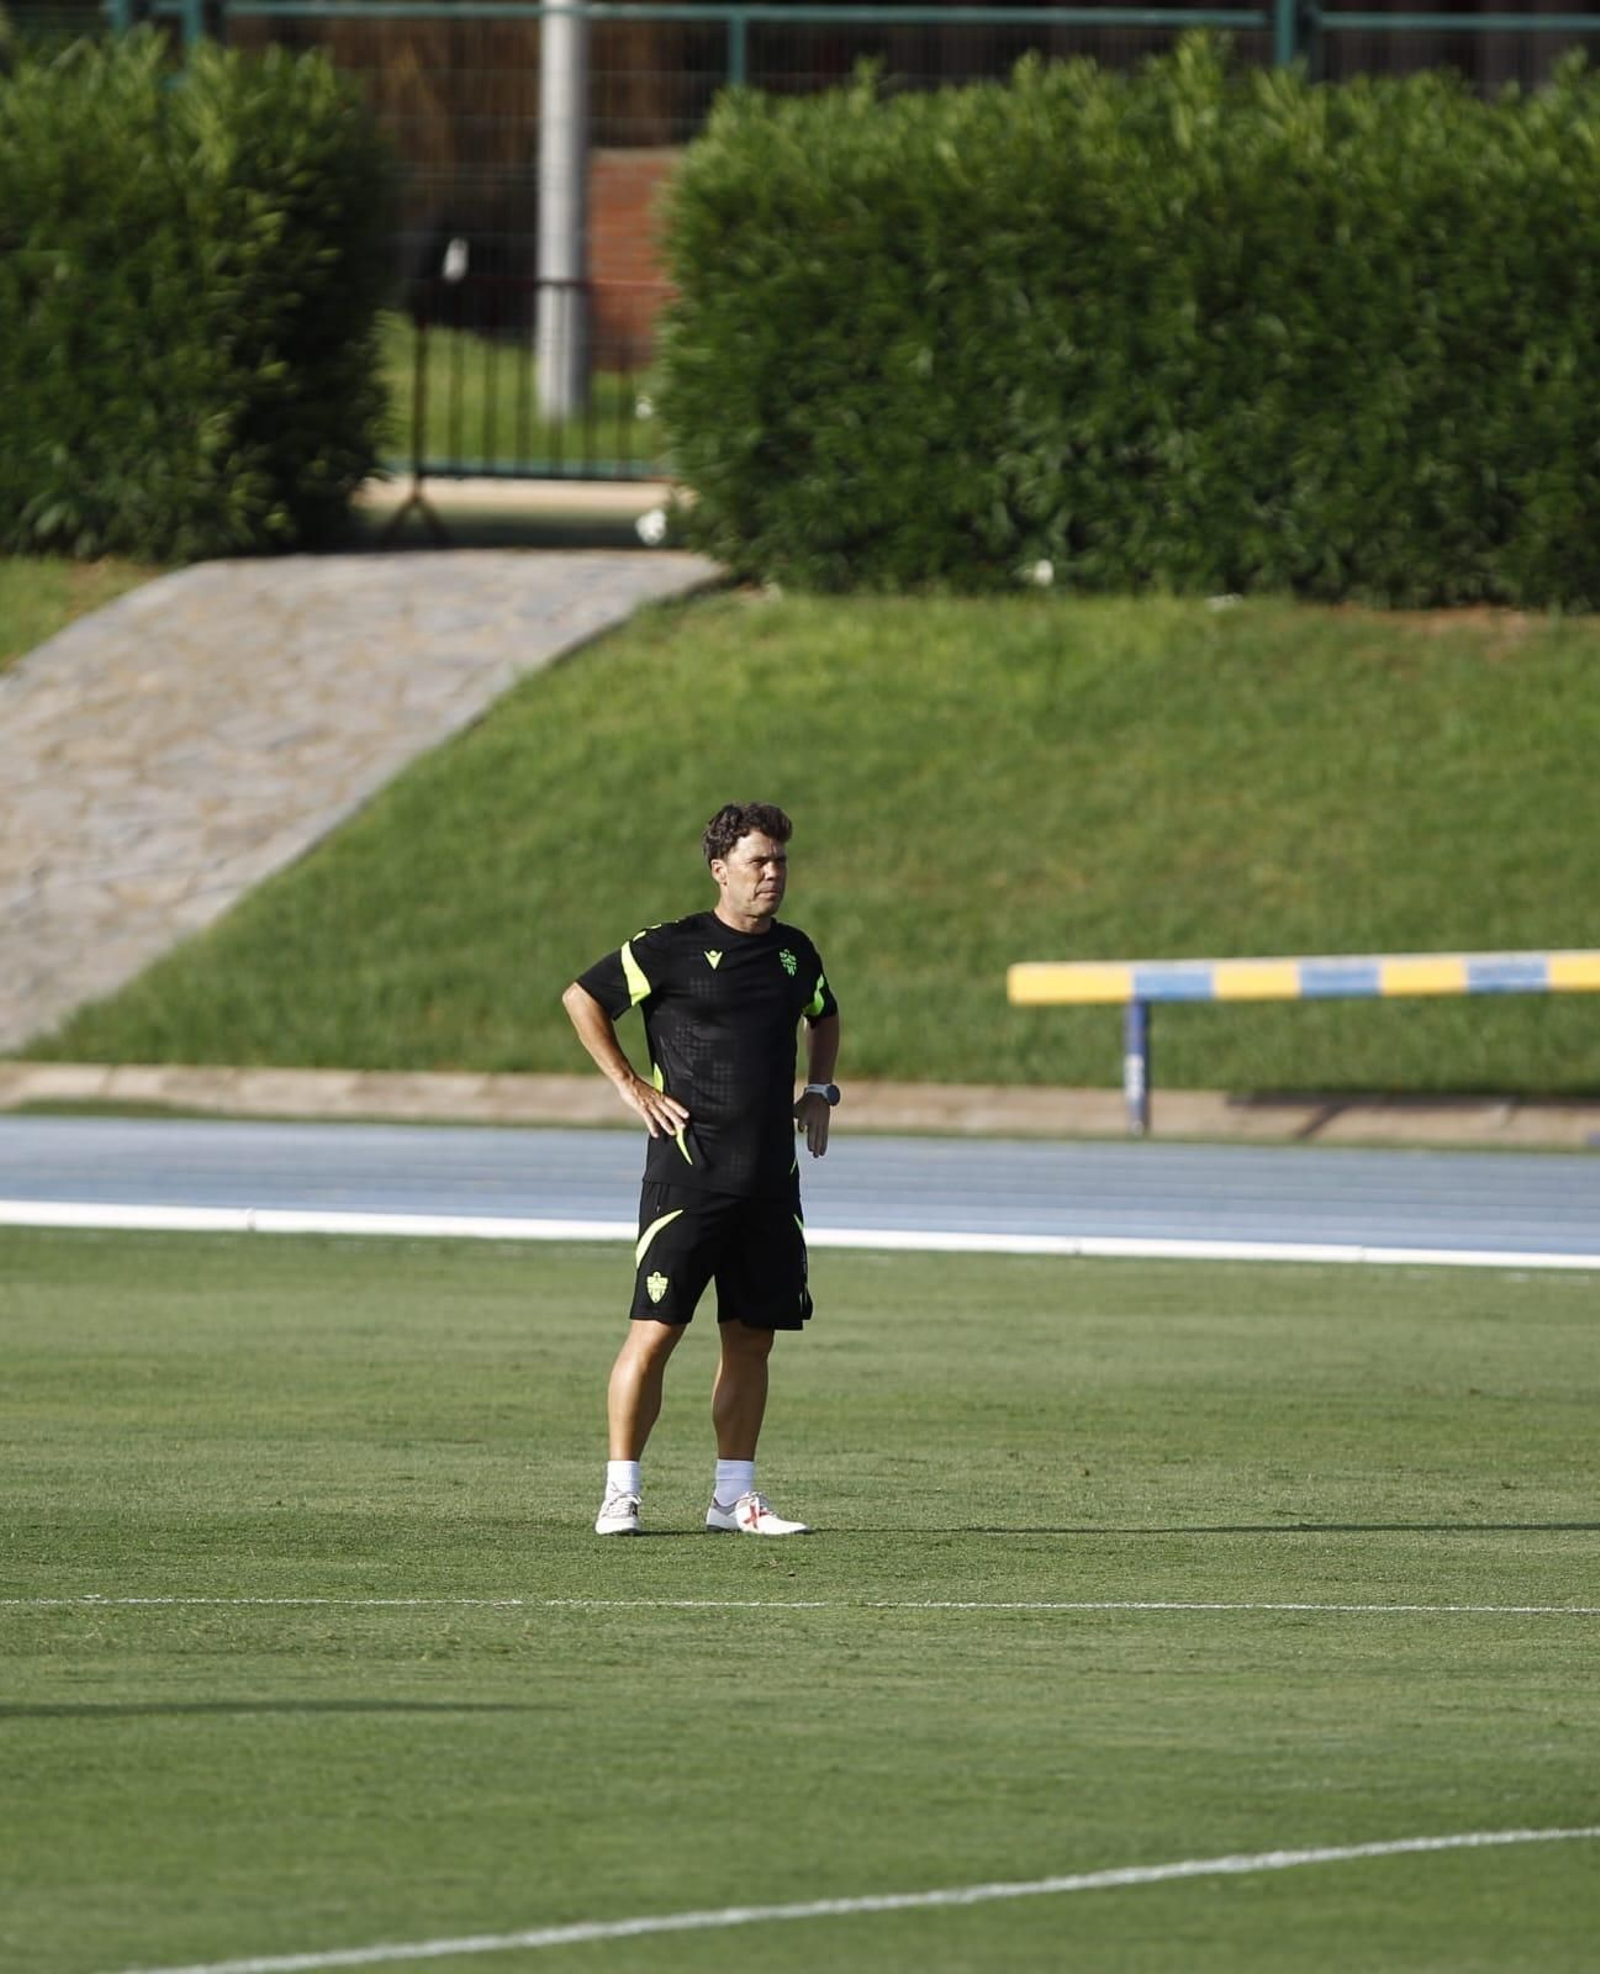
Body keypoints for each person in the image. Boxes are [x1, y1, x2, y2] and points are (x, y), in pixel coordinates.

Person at [561, 801, 840, 1538]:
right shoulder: (670, 947)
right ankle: (622, 1491)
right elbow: (582, 998)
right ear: (721, 871)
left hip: (770, 1182)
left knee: (753, 1338)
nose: (773, 874)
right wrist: (631, 1085)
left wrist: (819, 1091)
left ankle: (733, 1498)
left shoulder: (796, 953)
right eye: (758, 862)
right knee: (655, 1332)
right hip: (688, 1175)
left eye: (780, 861)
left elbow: (824, 1012)